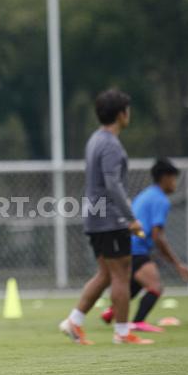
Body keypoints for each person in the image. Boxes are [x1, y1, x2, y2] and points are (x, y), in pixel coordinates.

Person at [58, 89, 151, 346]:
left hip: (97, 217)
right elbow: (113, 185)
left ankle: (74, 322)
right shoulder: (109, 144)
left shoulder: (95, 139)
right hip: (110, 219)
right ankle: (122, 333)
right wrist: (130, 218)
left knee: (105, 274)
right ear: (122, 114)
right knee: (121, 273)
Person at [100, 159, 188, 332]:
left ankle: (111, 311)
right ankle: (137, 322)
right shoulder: (161, 200)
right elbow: (158, 237)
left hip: (125, 244)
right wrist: (178, 264)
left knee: (137, 283)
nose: (175, 184)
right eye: (173, 179)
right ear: (164, 178)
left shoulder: (146, 194)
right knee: (155, 287)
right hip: (137, 248)